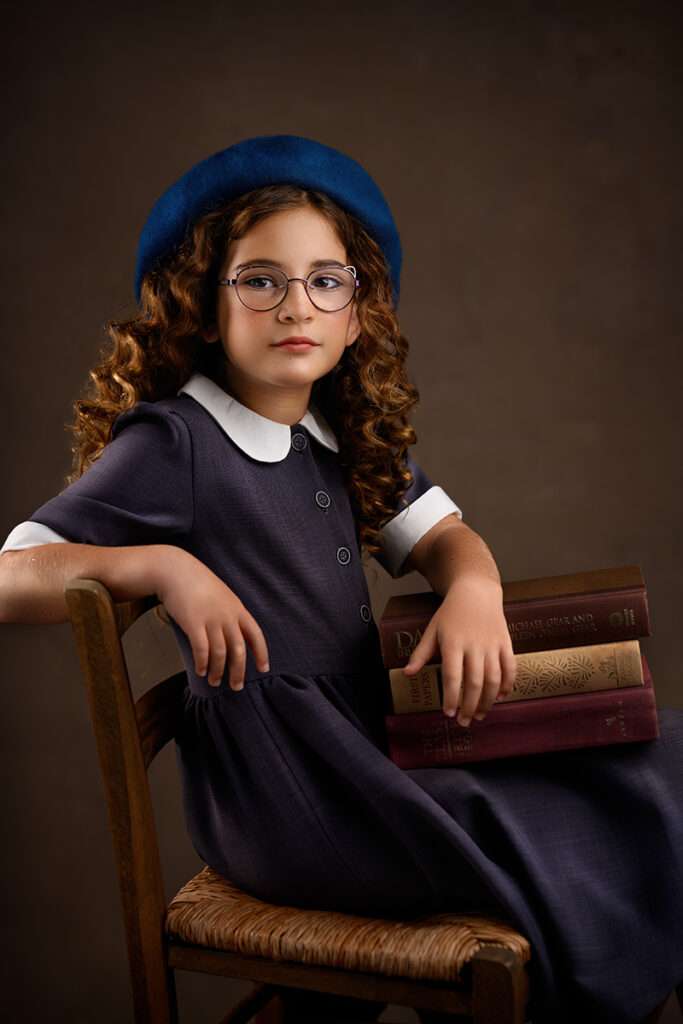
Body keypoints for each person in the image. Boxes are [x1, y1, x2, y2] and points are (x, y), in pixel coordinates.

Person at [0, 134, 681, 1024]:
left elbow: (448, 537)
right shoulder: (176, 442)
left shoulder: (334, 432)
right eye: (261, 279)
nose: (298, 304)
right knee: (535, 818)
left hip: (373, 740)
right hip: (293, 792)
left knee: (653, 751)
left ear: (355, 315)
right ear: (205, 307)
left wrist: (472, 586)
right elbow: (12, 574)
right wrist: (162, 565)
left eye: (326, 280)